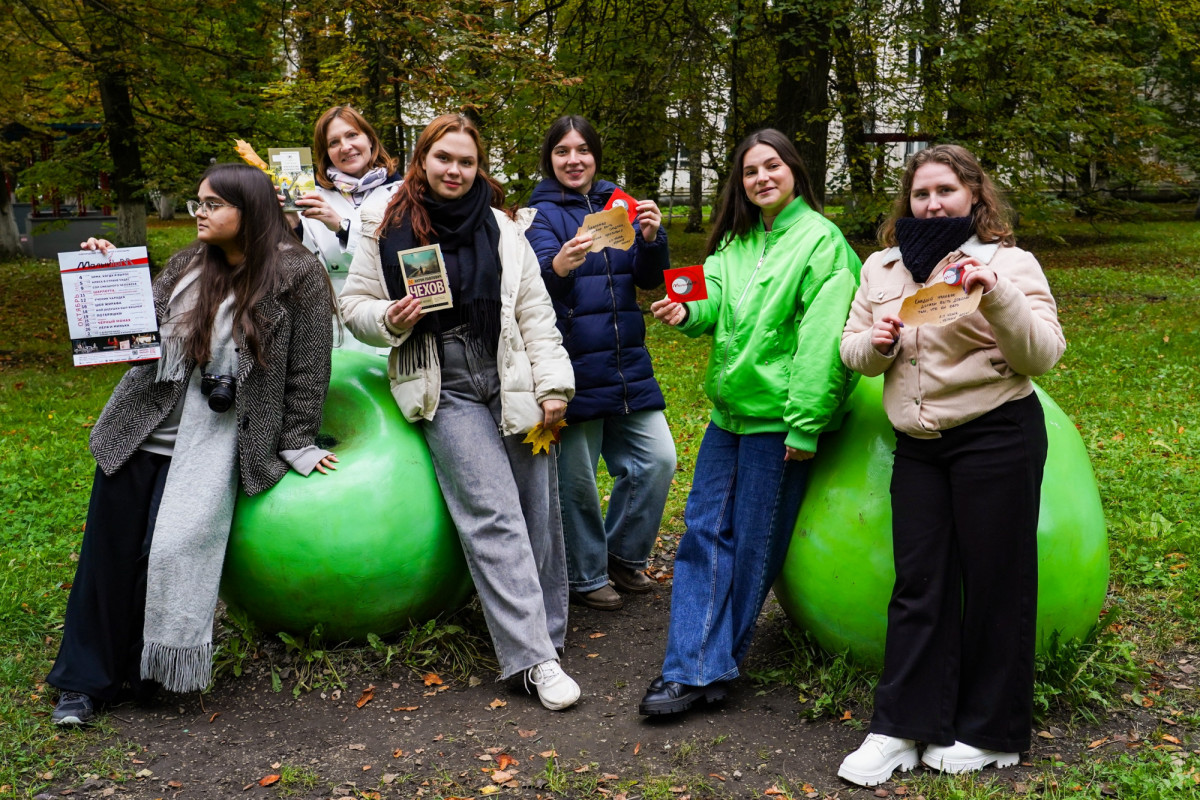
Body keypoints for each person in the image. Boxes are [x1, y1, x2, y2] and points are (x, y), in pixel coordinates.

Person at [48, 163, 337, 726]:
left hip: (219, 443)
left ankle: (146, 669)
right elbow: (133, 335)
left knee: (173, 552)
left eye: (212, 205)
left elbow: (309, 369)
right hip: (137, 432)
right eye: (197, 203)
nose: (199, 214)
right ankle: (83, 684)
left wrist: (298, 440)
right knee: (107, 560)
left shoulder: (298, 275)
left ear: (247, 211)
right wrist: (108, 272)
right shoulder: (186, 264)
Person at [837, 144, 1065, 786]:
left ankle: (993, 733)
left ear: (973, 196)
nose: (932, 203)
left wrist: (994, 296)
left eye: (944, 191)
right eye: (920, 193)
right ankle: (901, 727)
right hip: (920, 444)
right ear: (906, 202)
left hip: (996, 433)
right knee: (919, 584)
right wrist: (875, 346)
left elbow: (1042, 355)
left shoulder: (1008, 262)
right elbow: (852, 349)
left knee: (997, 580)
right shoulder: (880, 267)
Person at [339, 113, 580, 711]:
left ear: (480, 167)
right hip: (441, 380)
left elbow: (534, 314)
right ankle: (533, 660)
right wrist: (388, 320)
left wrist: (554, 386)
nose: (455, 170)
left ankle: (547, 631)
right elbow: (354, 306)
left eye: (467, 161)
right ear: (422, 159)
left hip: (510, 370)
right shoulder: (381, 221)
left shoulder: (502, 227)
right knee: (492, 513)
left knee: (536, 504)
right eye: (444, 158)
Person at [639, 129, 861, 716]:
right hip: (729, 416)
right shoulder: (737, 242)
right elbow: (709, 295)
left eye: (772, 166)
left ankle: (704, 669)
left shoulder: (822, 242)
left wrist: (806, 426)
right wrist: (686, 310)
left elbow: (823, 342)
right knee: (703, 533)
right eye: (749, 171)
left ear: (794, 170)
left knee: (753, 547)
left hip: (779, 423)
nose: (761, 178)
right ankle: (696, 667)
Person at [524, 115, 676, 611]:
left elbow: (648, 278)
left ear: (596, 156)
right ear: (550, 158)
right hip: (570, 365)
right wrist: (560, 265)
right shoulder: (539, 215)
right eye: (563, 151)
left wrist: (652, 238)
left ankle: (623, 556)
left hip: (625, 360)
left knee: (657, 461)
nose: (574, 160)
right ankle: (585, 574)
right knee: (578, 480)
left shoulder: (620, 205)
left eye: (583, 150)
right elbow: (540, 287)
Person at [288, 106, 401, 352]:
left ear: (370, 139)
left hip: (387, 324)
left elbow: (402, 256)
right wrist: (292, 226)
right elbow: (299, 267)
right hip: (329, 328)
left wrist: (341, 227)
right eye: (333, 142)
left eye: (352, 135)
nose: (345, 146)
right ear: (326, 153)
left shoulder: (404, 192)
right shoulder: (310, 195)